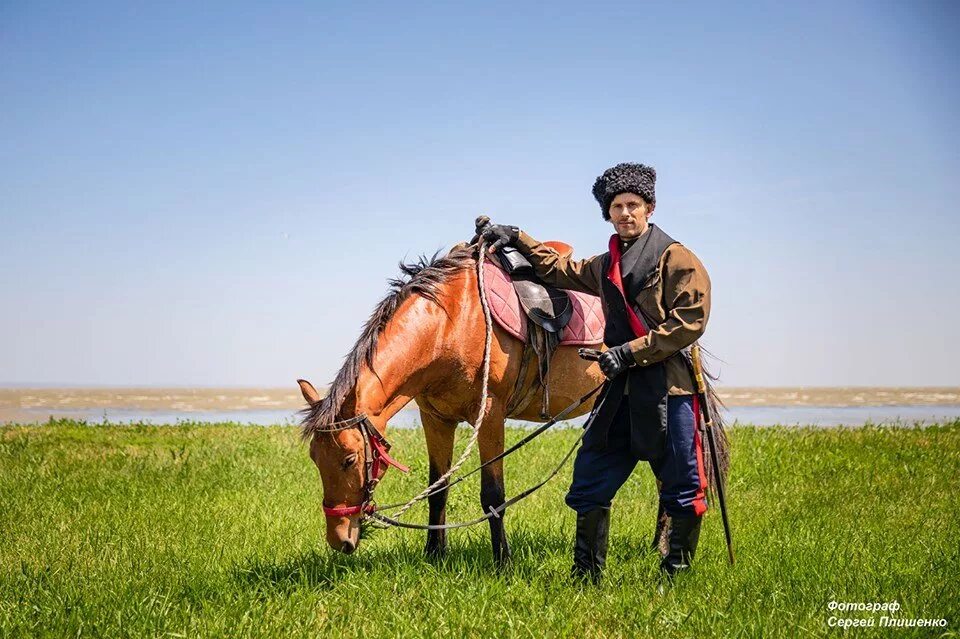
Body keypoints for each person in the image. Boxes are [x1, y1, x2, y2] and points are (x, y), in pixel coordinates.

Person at [480, 162, 712, 582]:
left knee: (682, 487)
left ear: (650, 208)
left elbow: (689, 322)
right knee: (590, 479)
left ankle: (674, 577)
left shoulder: (678, 258)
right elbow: (556, 270)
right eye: (617, 207)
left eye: (633, 205)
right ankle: (586, 577)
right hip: (620, 391)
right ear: (608, 213)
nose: (625, 213)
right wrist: (518, 237)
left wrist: (627, 354)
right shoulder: (606, 263)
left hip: (668, 389)